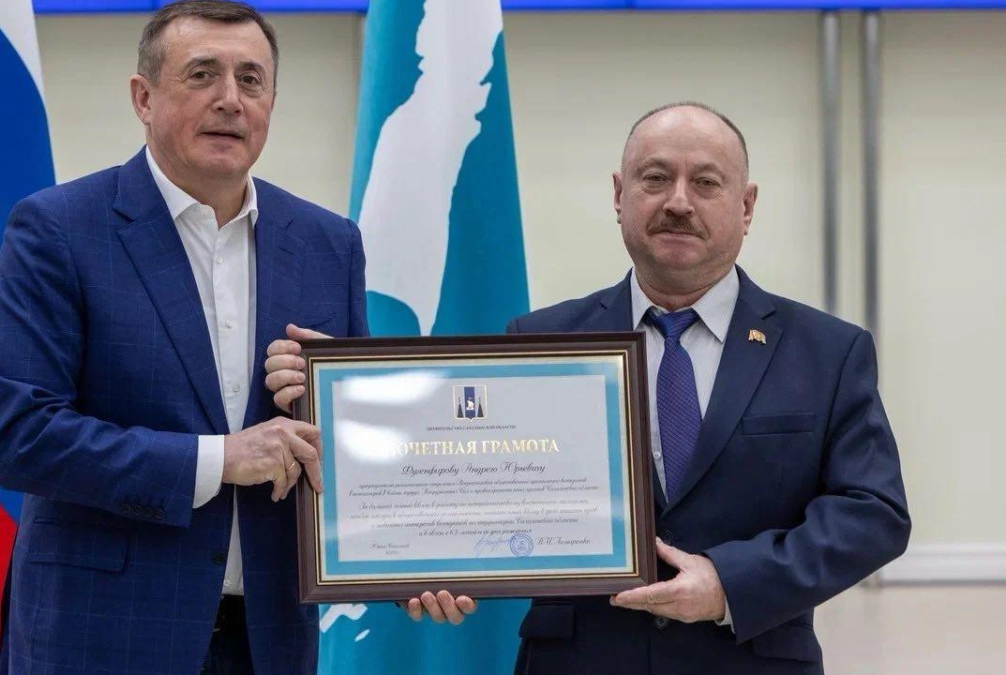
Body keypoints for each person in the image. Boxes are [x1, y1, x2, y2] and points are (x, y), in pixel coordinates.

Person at [263, 102, 909, 674]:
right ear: (619, 196)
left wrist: (729, 585)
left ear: (746, 205)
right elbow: (473, 484)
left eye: (706, 182)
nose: (678, 201)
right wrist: (344, 392)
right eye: (655, 178)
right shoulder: (542, 340)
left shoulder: (826, 351)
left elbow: (873, 512)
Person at [0, 2, 368, 673]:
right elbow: (23, 436)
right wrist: (221, 459)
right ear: (143, 97)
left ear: (272, 102)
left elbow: (353, 447)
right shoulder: (59, 230)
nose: (230, 99)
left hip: (269, 643)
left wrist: (416, 561)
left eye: (251, 79)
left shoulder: (329, 244)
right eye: (202, 74)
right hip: (101, 638)